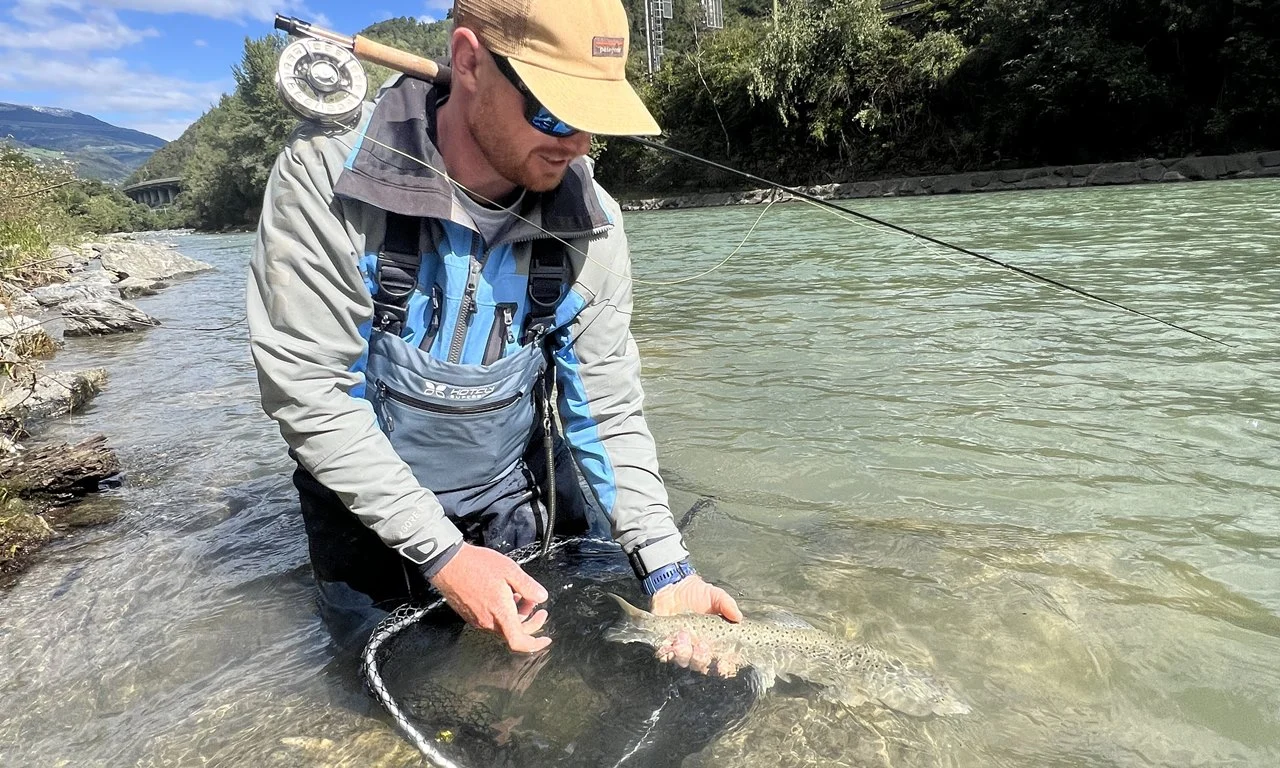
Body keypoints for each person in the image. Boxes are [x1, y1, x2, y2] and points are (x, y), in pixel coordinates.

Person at [247, 0, 742, 663]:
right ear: (469, 61)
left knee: (636, 660)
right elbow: (311, 395)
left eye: (594, 119)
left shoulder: (594, 222)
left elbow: (607, 406)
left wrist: (666, 567)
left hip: (516, 480)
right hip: (364, 503)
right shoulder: (325, 176)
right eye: (553, 112)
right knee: (435, 690)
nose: (578, 145)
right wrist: (445, 554)